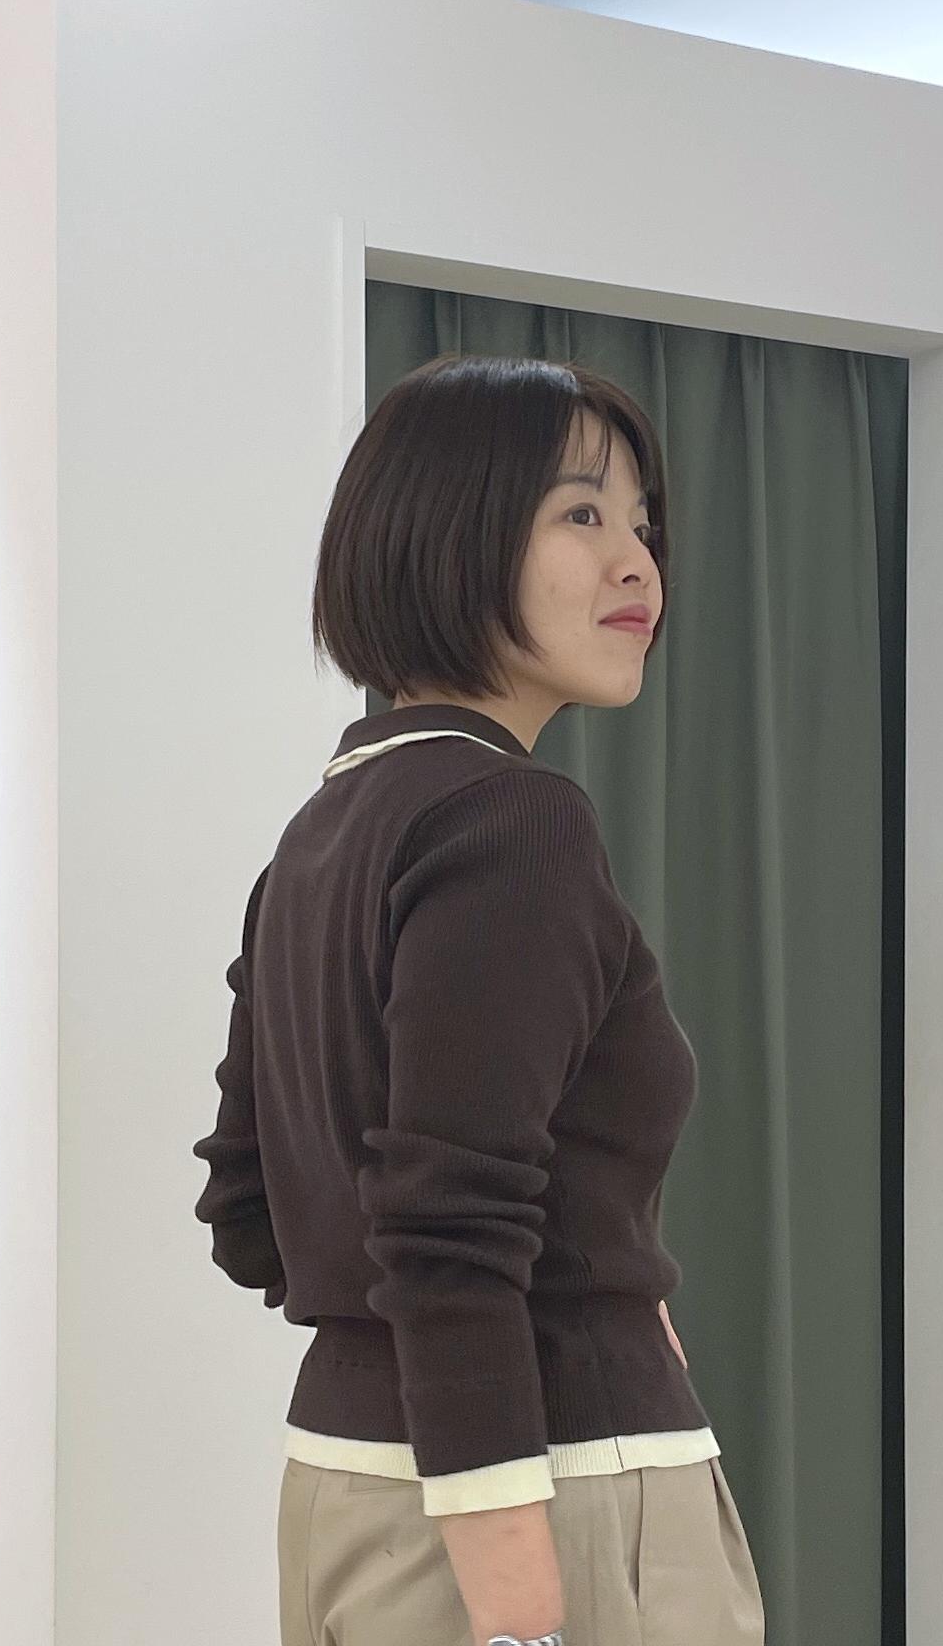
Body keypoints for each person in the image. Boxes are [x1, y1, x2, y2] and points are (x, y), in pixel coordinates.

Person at [193, 353, 767, 1646]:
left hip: (341, 1490)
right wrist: (517, 1613)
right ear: (450, 533)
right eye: (581, 513)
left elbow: (248, 1211)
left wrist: (580, 1277)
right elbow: (447, 1222)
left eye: (641, 524)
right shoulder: (511, 820)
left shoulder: (319, 834)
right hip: (545, 1500)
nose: (636, 563)